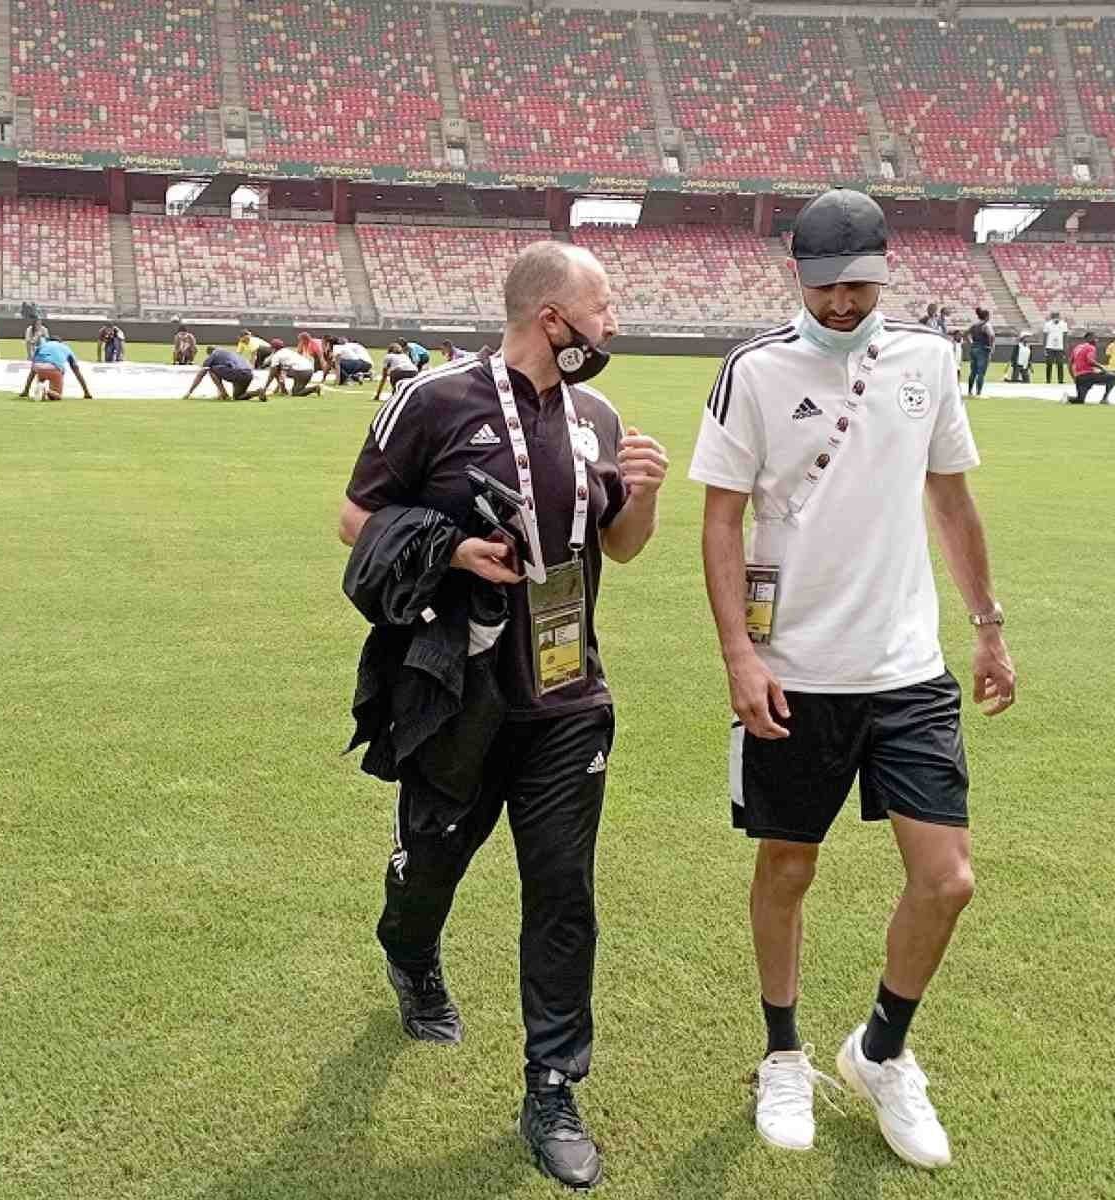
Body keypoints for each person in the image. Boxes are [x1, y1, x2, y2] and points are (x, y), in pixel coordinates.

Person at [689, 188, 1013, 1171]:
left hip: (907, 669)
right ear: (798, 276)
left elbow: (950, 500)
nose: (841, 305)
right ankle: (783, 1052)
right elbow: (718, 519)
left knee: (946, 878)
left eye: (859, 286)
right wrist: (738, 656)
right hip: (793, 674)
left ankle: (879, 1050)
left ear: (885, 272)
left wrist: (987, 627)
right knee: (788, 868)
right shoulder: (752, 370)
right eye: (825, 288)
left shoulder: (925, 360)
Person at [336, 240, 666, 1191]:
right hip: (460, 689)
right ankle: (410, 949)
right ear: (554, 319)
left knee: (562, 890)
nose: (613, 326)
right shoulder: (433, 401)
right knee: (432, 859)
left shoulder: (599, 415)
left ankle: (553, 1086)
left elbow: (625, 547)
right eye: (603, 310)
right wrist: (446, 550)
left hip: (570, 697)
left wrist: (640, 495)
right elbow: (356, 518)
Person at [21, 336, 95, 402]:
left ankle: (41, 388)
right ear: (61, 342)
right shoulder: (65, 347)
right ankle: (46, 390)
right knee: (57, 396)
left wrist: (26, 390)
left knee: (42, 373)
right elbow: (76, 370)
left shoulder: (42, 345)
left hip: (38, 367)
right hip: (54, 368)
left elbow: (32, 371)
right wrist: (86, 392)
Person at [183, 345, 259, 401]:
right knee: (238, 397)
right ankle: (258, 392)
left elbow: (201, 374)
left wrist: (189, 392)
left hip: (238, 374)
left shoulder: (213, 355)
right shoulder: (231, 353)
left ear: (209, 353)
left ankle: (224, 394)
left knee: (211, 369)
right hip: (249, 374)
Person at [258, 343, 322, 397]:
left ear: (274, 349)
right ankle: (315, 388)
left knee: (276, 370)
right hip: (309, 370)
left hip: (301, 371)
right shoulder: (287, 351)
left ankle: (283, 390)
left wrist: (265, 388)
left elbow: (271, 375)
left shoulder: (276, 356)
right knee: (296, 392)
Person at [1068, 332, 1115, 404]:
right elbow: (1090, 360)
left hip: (1080, 377)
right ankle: (1104, 399)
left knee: (1080, 400)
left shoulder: (1077, 347)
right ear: (1089, 338)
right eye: (1095, 338)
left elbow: (1070, 364)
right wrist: (1102, 367)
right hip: (1088, 375)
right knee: (1112, 377)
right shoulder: (1091, 347)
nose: (1096, 341)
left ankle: (1067, 398)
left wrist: (1074, 377)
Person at [964, 308, 994, 395]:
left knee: (973, 371)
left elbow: (965, 333)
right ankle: (978, 392)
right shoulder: (986, 325)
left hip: (974, 348)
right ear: (987, 316)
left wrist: (971, 343)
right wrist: (991, 347)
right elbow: (991, 335)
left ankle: (969, 391)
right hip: (983, 349)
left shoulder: (974, 325)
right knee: (981, 372)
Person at [1042, 311, 1069, 383]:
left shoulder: (1064, 324)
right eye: (1054, 316)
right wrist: (1044, 348)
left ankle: (1060, 380)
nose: (1055, 317)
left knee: (1060, 364)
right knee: (1049, 364)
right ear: (1051, 317)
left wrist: (1065, 348)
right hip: (1049, 347)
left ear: (1059, 316)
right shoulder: (1047, 324)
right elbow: (1045, 337)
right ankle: (1048, 380)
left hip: (1060, 348)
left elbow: (1065, 337)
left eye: (1057, 316)